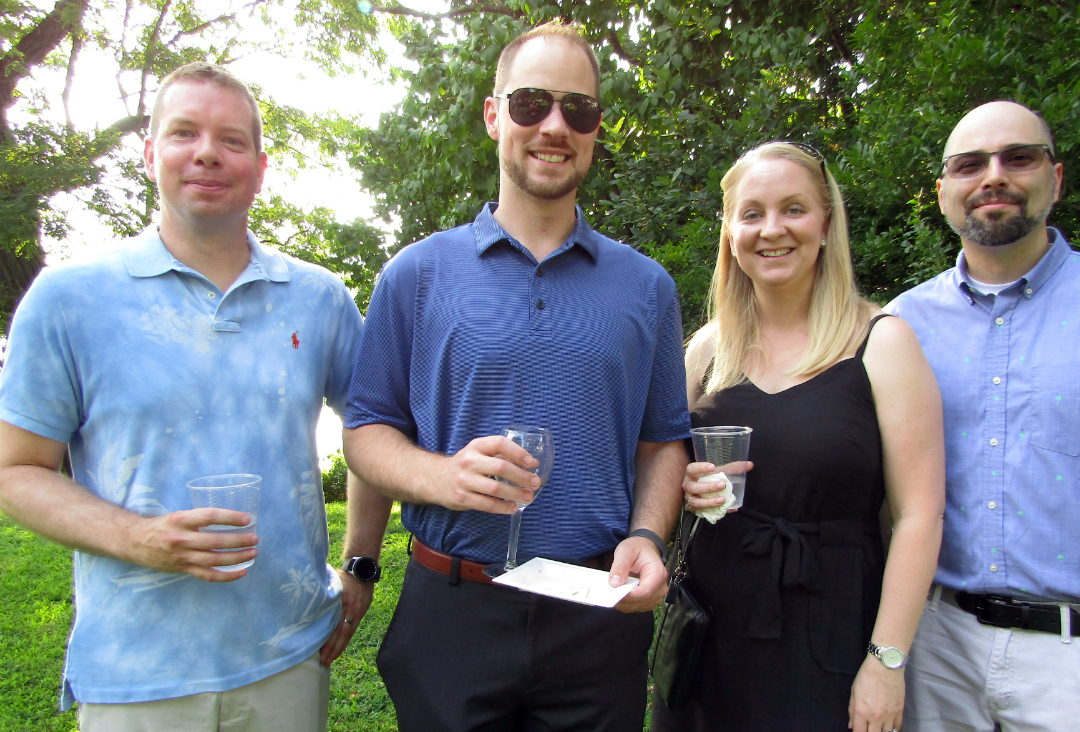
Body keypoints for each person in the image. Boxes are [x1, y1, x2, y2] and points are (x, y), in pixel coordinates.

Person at [339, 21, 692, 732]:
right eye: (532, 103)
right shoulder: (415, 275)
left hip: (598, 613)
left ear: (595, 129)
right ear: (495, 114)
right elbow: (365, 433)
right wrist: (443, 478)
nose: (555, 126)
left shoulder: (646, 287)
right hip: (453, 611)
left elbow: (663, 442)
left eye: (578, 109)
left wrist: (649, 538)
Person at [0, 62, 367, 731]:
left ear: (260, 166)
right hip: (137, 676)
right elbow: (15, 470)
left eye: (231, 140)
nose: (206, 152)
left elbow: (373, 435)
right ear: (150, 154)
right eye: (184, 133)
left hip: (286, 660)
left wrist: (361, 564)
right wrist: (138, 538)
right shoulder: (68, 299)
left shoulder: (319, 300)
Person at [886, 101, 1080, 731]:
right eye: (970, 164)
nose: (993, 176)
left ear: (1055, 179)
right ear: (943, 192)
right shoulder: (903, 323)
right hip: (935, 649)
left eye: (1018, 158)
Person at [652, 141, 945, 732]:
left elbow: (921, 515)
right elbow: (663, 469)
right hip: (710, 628)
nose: (772, 229)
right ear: (731, 232)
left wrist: (886, 661)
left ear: (826, 222)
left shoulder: (882, 343)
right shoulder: (709, 349)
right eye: (752, 213)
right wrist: (686, 490)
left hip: (830, 633)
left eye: (794, 208)